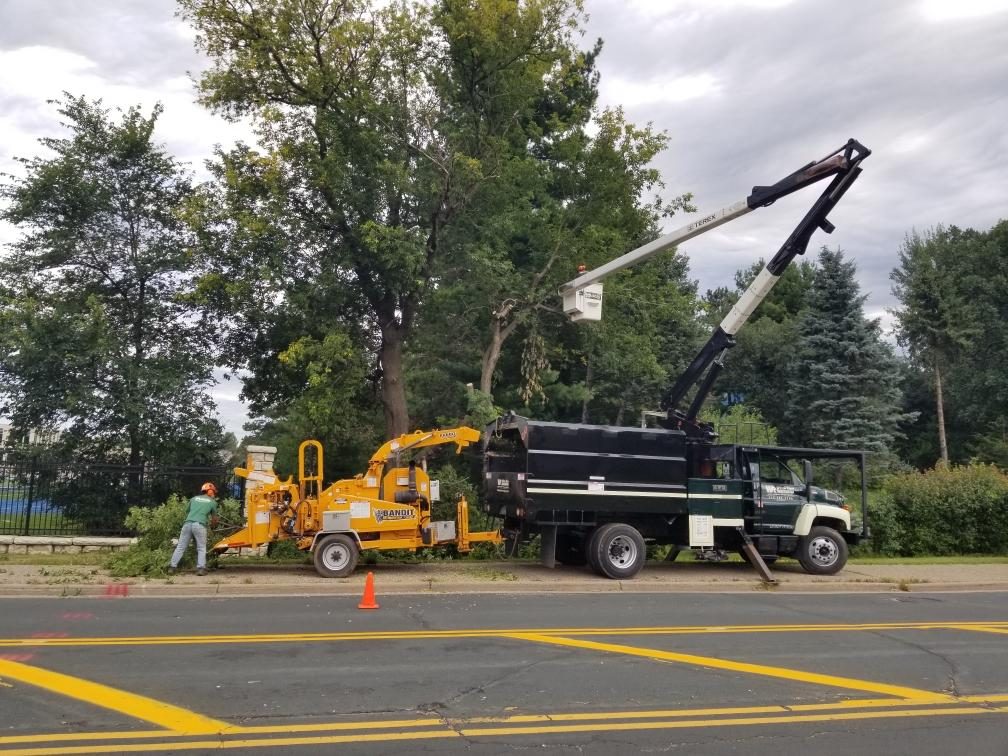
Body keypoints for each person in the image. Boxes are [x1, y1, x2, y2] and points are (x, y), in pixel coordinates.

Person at [168, 482, 219, 576]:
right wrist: (213, 525)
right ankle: (200, 569)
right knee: (201, 548)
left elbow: (187, 511)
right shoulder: (212, 502)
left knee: (180, 547)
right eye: (213, 492)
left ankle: (172, 567)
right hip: (199, 525)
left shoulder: (193, 498)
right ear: (210, 491)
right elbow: (214, 519)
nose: (214, 494)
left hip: (187, 524)